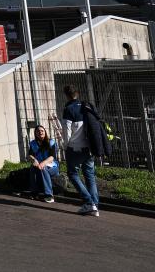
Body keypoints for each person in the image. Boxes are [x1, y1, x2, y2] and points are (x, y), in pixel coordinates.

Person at [61, 84, 110, 217]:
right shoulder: (86, 106)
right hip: (89, 148)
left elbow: (67, 131)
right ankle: (95, 205)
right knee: (90, 175)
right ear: (77, 93)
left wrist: (65, 146)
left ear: (66, 95)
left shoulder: (68, 109)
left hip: (75, 148)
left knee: (73, 174)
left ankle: (89, 202)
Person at [26, 125, 59, 202]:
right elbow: (30, 155)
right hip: (39, 165)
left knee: (43, 169)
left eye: (42, 131)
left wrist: (43, 163)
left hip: (52, 166)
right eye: (38, 131)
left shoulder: (51, 142)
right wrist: (34, 160)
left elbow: (52, 157)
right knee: (32, 168)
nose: (40, 132)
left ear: (45, 132)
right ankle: (34, 192)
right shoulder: (33, 143)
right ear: (35, 133)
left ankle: (49, 195)